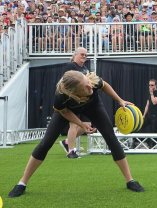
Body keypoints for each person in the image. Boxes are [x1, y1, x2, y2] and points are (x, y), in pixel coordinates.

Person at [8, 71, 144, 198]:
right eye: (86, 87)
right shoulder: (61, 97)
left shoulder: (91, 81)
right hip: (66, 111)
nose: (90, 87)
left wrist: (119, 100)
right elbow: (65, 112)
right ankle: (22, 183)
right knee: (45, 143)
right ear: (74, 93)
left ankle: (130, 180)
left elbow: (104, 86)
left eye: (89, 83)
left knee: (111, 138)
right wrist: (81, 124)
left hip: (93, 107)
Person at [60, 47, 91, 159]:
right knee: (74, 125)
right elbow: (66, 83)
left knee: (86, 125)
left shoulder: (85, 68)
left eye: (85, 55)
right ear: (75, 55)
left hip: (82, 100)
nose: (84, 56)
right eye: (82, 54)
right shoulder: (70, 66)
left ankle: (67, 142)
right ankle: (71, 152)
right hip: (72, 99)